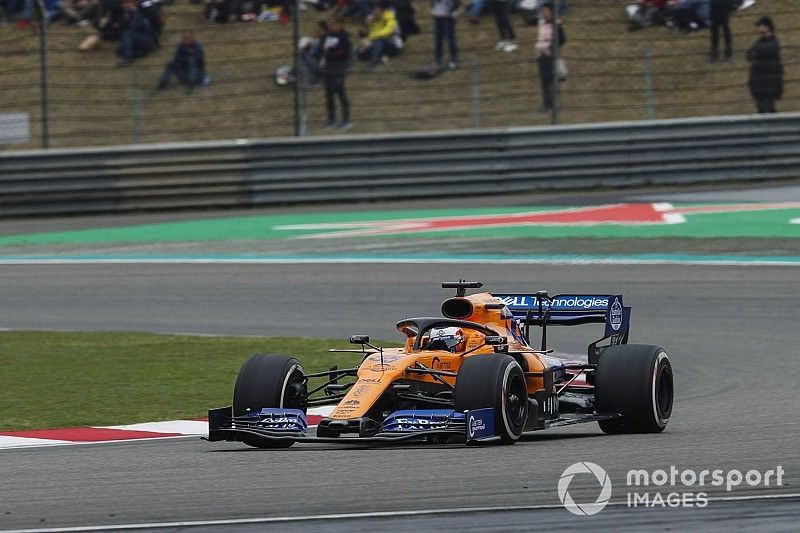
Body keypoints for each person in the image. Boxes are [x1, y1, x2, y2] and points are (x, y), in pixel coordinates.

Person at [747, 16, 783, 114]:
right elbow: (749, 54)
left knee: (769, 107)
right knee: (761, 107)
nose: (759, 28)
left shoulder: (773, 42)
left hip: (769, 81)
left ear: (767, 27)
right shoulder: (759, 41)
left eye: (760, 26)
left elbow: (764, 52)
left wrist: (757, 54)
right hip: (759, 81)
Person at [321, 17, 352, 129]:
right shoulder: (327, 36)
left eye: (333, 24)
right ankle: (331, 119)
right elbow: (322, 48)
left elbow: (343, 53)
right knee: (329, 94)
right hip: (328, 68)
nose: (331, 26)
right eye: (330, 24)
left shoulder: (344, 37)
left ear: (339, 24)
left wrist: (329, 52)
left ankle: (346, 119)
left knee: (340, 92)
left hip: (339, 68)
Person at [535, 2, 564, 112]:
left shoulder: (557, 23)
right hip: (541, 55)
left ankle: (553, 104)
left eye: (546, 10)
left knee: (552, 81)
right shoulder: (541, 22)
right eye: (543, 11)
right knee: (544, 81)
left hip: (551, 55)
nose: (544, 13)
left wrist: (552, 47)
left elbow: (562, 39)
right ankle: (546, 104)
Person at [115, 0, 157, 65]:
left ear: (132, 4)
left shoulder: (137, 13)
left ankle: (128, 58)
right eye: (123, 3)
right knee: (119, 50)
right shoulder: (125, 14)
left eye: (126, 3)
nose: (124, 5)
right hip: (135, 38)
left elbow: (133, 28)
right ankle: (140, 53)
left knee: (126, 34)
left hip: (146, 39)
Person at [431, 0, 459, 70]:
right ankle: (438, 59)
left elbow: (457, 3)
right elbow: (432, 2)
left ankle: (453, 60)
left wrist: (450, 11)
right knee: (438, 39)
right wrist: (433, 9)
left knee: (450, 39)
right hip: (437, 18)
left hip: (448, 18)